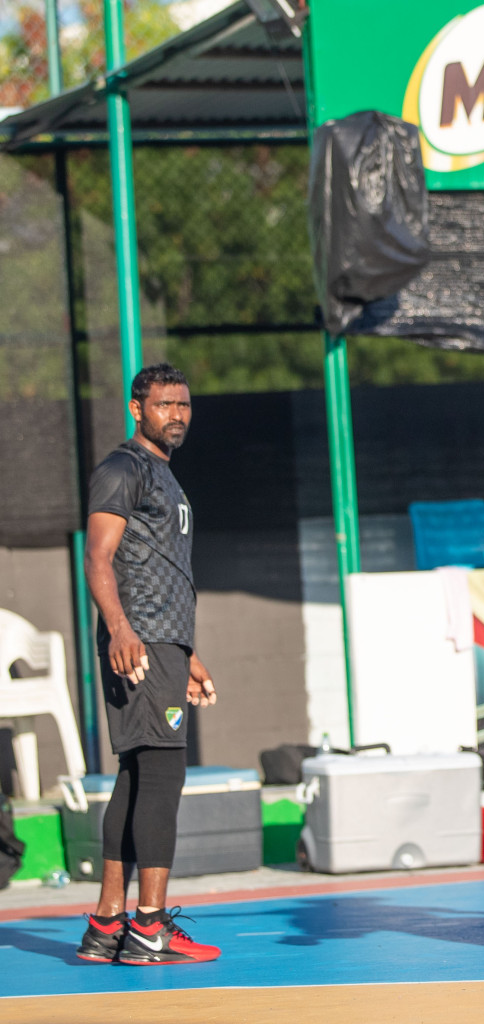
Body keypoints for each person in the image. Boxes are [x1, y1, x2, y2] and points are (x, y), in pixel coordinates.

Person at [75, 364, 220, 966]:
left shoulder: (162, 476)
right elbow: (97, 556)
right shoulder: (123, 468)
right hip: (137, 643)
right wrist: (122, 631)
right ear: (137, 409)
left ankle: (107, 925)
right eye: (165, 405)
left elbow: (162, 572)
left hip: (160, 645)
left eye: (184, 405)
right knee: (163, 776)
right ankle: (150, 927)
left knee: (137, 777)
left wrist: (183, 655)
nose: (177, 415)